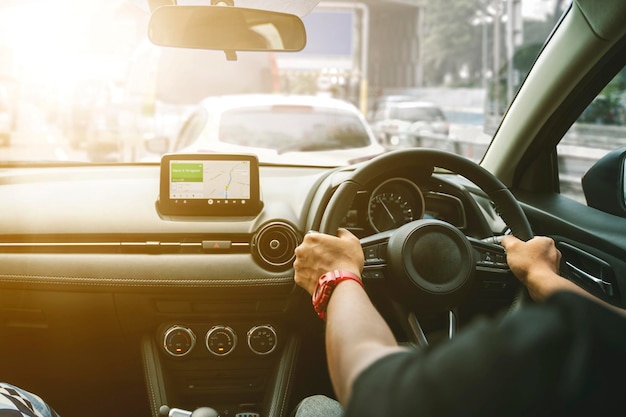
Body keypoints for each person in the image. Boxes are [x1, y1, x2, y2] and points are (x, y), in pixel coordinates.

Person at [292, 230, 626, 417]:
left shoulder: (563, 347)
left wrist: (337, 275)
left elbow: (376, 393)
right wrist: (539, 275)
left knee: (317, 408)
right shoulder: (601, 349)